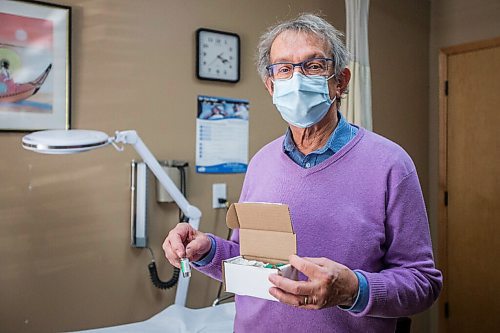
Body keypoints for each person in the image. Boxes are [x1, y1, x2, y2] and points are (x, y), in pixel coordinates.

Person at [163, 13, 442, 332]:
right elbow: (252, 257)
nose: (296, 79)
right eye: (284, 68)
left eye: (313, 66)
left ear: (340, 81)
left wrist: (353, 290)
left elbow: (423, 283)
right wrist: (207, 249)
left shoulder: (391, 165)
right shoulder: (261, 163)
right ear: (271, 86)